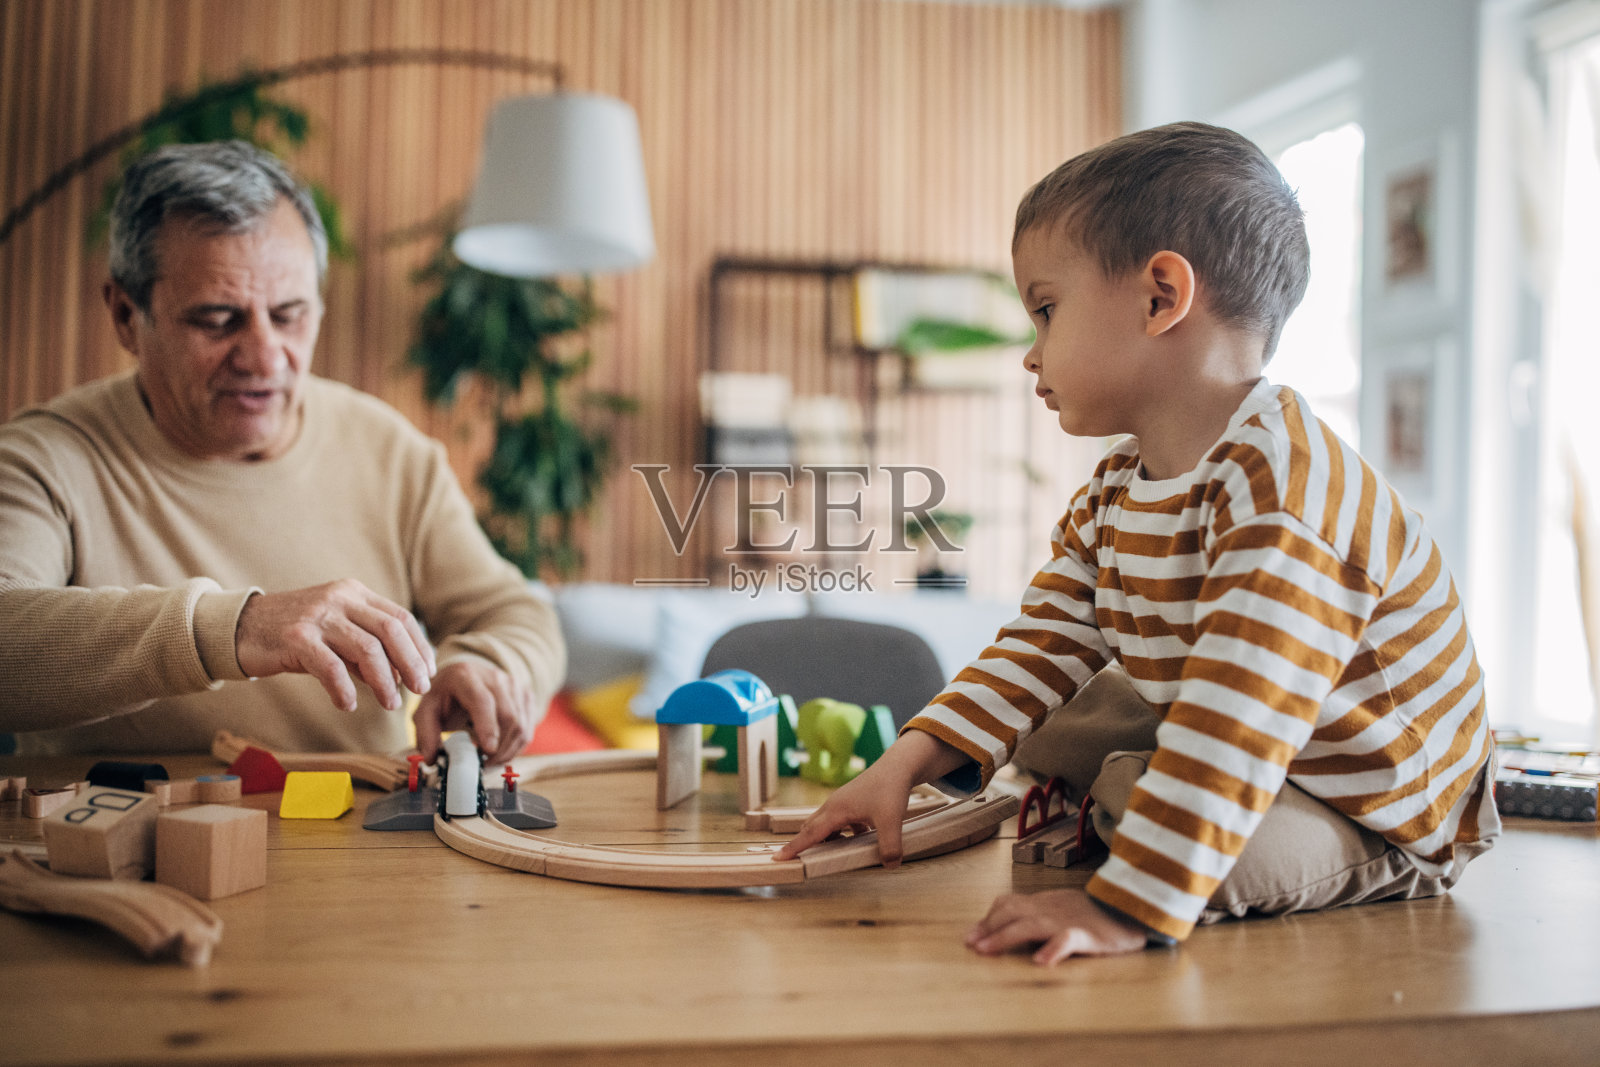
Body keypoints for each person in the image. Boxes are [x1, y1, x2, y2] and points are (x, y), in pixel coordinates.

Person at [779, 122, 1499, 962]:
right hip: (1248, 729)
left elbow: (1240, 714)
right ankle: (1150, 800)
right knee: (1048, 724)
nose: (1030, 351)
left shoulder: (1285, 488)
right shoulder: (1118, 487)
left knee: (1147, 808)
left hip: (1376, 800)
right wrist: (902, 763)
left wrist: (1120, 909)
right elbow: (1039, 644)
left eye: (1046, 309)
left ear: (1161, 296)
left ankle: (1163, 837)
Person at [0, 140, 563, 765]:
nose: (265, 357)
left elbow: (515, 612)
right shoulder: (45, 457)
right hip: (115, 848)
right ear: (127, 315)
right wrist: (237, 628)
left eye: (289, 315)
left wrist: (489, 664)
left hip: (360, 842)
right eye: (217, 319)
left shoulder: (389, 450)